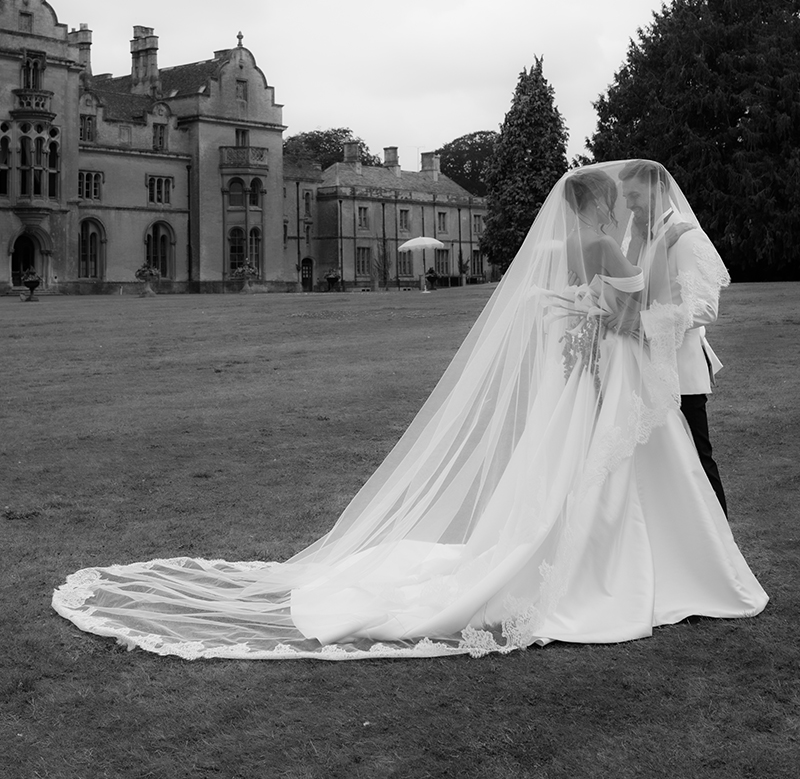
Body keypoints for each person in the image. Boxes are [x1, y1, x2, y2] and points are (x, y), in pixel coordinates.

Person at [52, 161, 767, 661]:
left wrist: (607, 309)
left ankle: (605, 556)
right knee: (607, 469)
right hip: (608, 361)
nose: (620, 204)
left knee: (576, 466)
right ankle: (618, 567)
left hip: (587, 368)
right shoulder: (606, 239)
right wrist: (639, 306)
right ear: (598, 204)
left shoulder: (575, 243)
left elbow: (594, 302)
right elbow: (630, 308)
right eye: (614, 198)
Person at [620, 160, 728, 513]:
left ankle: (721, 538)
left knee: (697, 462)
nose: (629, 204)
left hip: (682, 372)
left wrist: (645, 324)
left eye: (635, 195)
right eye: (626, 196)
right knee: (665, 468)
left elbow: (706, 308)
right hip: (646, 369)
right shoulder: (641, 236)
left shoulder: (687, 237)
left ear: (660, 188)